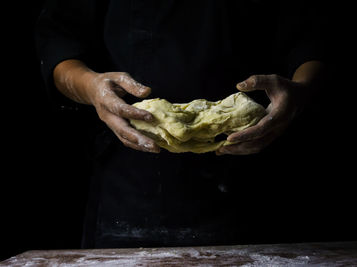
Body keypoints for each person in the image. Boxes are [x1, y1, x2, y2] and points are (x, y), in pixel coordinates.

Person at [36, 0, 327, 248]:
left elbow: (311, 38)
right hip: (132, 190)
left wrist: (299, 92)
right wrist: (91, 87)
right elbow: (60, 43)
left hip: (252, 182)